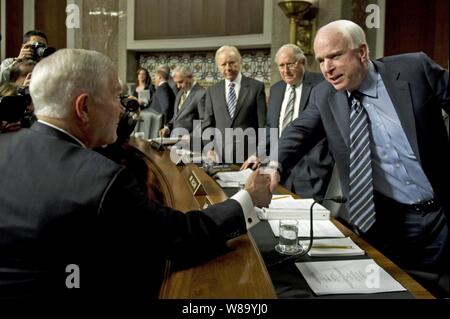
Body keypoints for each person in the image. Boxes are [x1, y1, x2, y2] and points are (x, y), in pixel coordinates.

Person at [0, 48, 271, 302]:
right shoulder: (101, 180)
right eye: (116, 98)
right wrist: (246, 199)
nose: (122, 109)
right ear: (83, 108)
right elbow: (181, 236)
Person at [270, 20, 449, 296]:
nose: (327, 69)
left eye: (334, 56)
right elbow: (299, 131)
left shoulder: (415, 68)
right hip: (389, 221)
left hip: (442, 214)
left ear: (362, 52)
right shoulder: (324, 95)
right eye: (320, 60)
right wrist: (274, 163)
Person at [241, 44, 333, 200]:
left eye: (290, 64)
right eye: (281, 66)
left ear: (302, 62)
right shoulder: (276, 89)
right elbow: (270, 127)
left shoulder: (322, 84)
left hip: (311, 170)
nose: (285, 70)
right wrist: (259, 153)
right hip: (279, 167)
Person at [202, 45, 266, 163]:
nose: (228, 67)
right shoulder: (212, 91)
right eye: (223, 64)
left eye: (232, 63)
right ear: (218, 66)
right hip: (219, 157)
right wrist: (209, 148)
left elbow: (263, 126)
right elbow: (207, 124)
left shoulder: (256, 88)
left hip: (248, 158)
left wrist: (259, 154)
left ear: (240, 62)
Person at [160, 65, 206, 137]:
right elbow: (177, 116)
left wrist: (189, 137)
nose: (178, 86)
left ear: (190, 77)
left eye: (180, 82)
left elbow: (203, 122)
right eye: (176, 83)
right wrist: (168, 127)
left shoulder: (201, 94)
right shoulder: (180, 92)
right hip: (175, 140)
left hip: (191, 144)